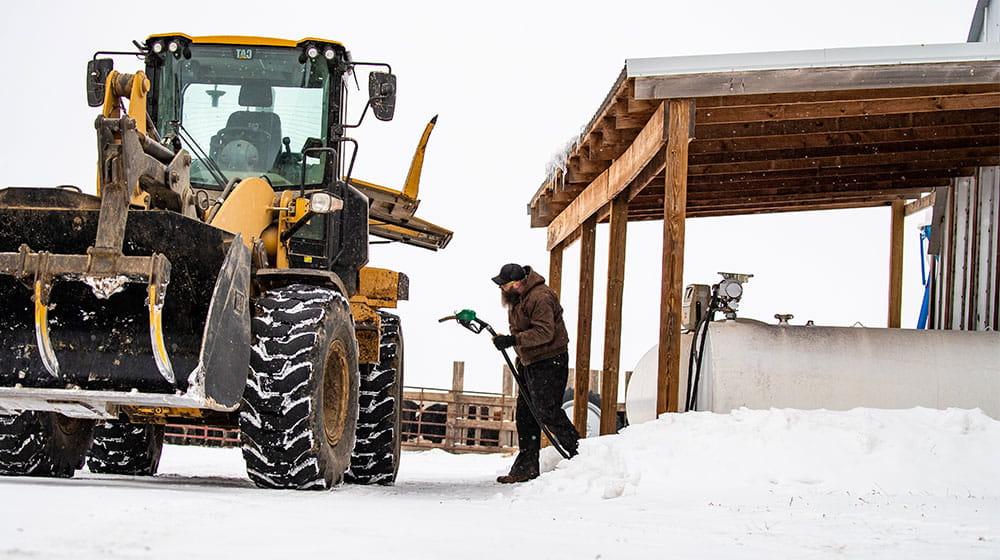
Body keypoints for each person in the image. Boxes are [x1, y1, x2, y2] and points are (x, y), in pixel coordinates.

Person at [491, 263, 579, 484]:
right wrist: (511, 343)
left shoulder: (541, 297)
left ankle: (579, 455)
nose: (502, 290)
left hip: (550, 361)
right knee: (525, 414)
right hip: (529, 361)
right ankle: (526, 468)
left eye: (505, 285)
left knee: (547, 411)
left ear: (517, 283)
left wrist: (513, 341)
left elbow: (544, 332)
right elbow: (519, 330)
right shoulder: (517, 301)